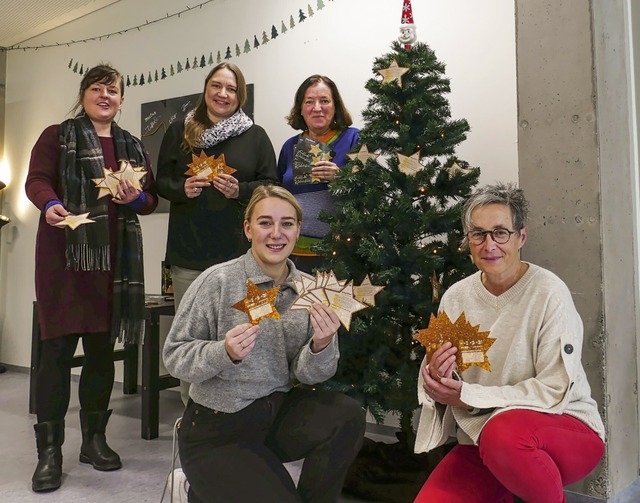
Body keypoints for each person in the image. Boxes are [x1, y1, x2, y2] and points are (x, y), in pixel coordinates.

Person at [163, 185, 366, 503]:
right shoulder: (218, 281)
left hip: (274, 419)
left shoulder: (309, 290)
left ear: (298, 230)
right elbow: (175, 357)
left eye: (287, 223)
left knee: (347, 414)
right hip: (216, 431)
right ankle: (202, 484)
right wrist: (224, 352)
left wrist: (321, 344)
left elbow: (312, 376)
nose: (277, 233)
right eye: (265, 223)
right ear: (248, 228)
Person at [413, 182, 605, 503]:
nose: (489, 244)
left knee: (503, 434)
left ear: (521, 237)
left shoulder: (549, 293)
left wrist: (468, 395)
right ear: (468, 241)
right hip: (480, 439)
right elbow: (445, 380)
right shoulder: (456, 296)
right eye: (478, 233)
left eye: (500, 232)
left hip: (563, 428)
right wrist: (436, 378)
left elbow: (553, 389)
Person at [25, 64, 158, 492]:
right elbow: (36, 180)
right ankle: (49, 454)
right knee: (56, 358)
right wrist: (48, 205)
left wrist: (136, 196)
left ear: (122, 99)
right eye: (97, 88)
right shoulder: (56, 135)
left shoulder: (133, 147)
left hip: (112, 270)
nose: (105, 95)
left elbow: (150, 200)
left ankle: (94, 442)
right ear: (84, 94)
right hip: (64, 264)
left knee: (101, 357)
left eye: (113, 90)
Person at [156, 62, 278, 405]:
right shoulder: (180, 130)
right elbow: (160, 182)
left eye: (231, 88)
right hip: (189, 255)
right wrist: (183, 187)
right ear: (206, 89)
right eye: (216, 86)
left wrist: (241, 190)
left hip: (242, 259)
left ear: (240, 95)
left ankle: (243, 418)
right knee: (191, 342)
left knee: (246, 337)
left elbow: (272, 184)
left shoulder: (255, 136)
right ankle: (193, 418)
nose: (223, 94)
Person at [278, 75, 359, 272]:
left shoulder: (354, 139)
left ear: (335, 106)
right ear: (300, 109)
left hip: (341, 251)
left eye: (324, 101)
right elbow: (278, 193)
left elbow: (374, 188)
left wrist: (342, 178)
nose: (317, 107)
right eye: (309, 101)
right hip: (295, 252)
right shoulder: (290, 146)